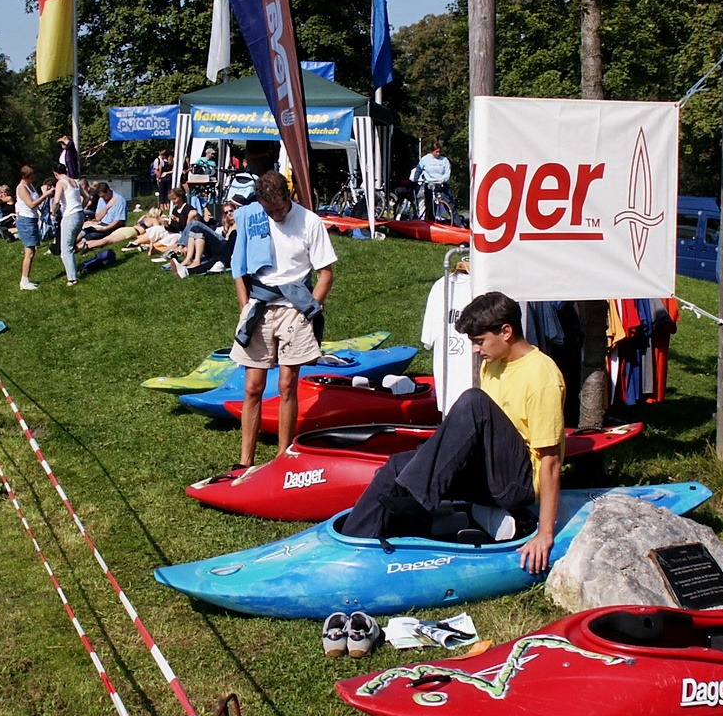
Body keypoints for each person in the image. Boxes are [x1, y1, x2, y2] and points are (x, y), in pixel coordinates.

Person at [344, 292, 565, 574]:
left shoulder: (541, 376)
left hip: (517, 484)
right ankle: (353, 549)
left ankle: (417, 501)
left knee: (474, 401)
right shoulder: (493, 363)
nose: (475, 350)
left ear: (506, 331)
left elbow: (551, 462)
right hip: (491, 470)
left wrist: (545, 534)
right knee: (397, 466)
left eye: (479, 341)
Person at [227, 170, 337, 473]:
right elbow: (239, 270)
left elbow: (325, 274)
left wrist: (308, 309)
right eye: (268, 210)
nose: (274, 215)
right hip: (259, 306)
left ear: (289, 197)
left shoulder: (309, 222)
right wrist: (244, 307)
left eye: (278, 208)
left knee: (287, 384)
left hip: (295, 307)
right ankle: (244, 461)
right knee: (252, 386)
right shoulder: (252, 217)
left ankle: (282, 459)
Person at [15, 166, 53, 290]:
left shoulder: (30, 186)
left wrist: (43, 193)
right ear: (26, 177)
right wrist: (46, 195)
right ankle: (24, 281)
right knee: (29, 252)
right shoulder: (21, 188)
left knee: (32, 250)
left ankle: (26, 279)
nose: (34, 178)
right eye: (32, 176)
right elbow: (31, 204)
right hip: (26, 220)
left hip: (31, 219)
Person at [52, 164, 87, 286]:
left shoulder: (60, 183)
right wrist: (81, 207)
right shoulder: (76, 182)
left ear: (55, 173)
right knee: (70, 243)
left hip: (69, 216)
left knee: (66, 249)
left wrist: (53, 212)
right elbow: (87, 197)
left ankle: (72, 278)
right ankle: (82, 248)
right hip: (80, 215)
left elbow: (56, 201)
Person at [413, 140, 454, 222]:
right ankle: (429, 221)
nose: (438, 154)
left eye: (439, 152)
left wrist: (443, 180)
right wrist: (415, 181)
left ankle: (458, 223)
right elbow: (418, 170)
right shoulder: (425, 159)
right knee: (430, 205)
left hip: (441, 184)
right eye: (436, 152)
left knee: (449, 204)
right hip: (429, 184)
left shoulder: (444, 160)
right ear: (432, 151)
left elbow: (447, 172)